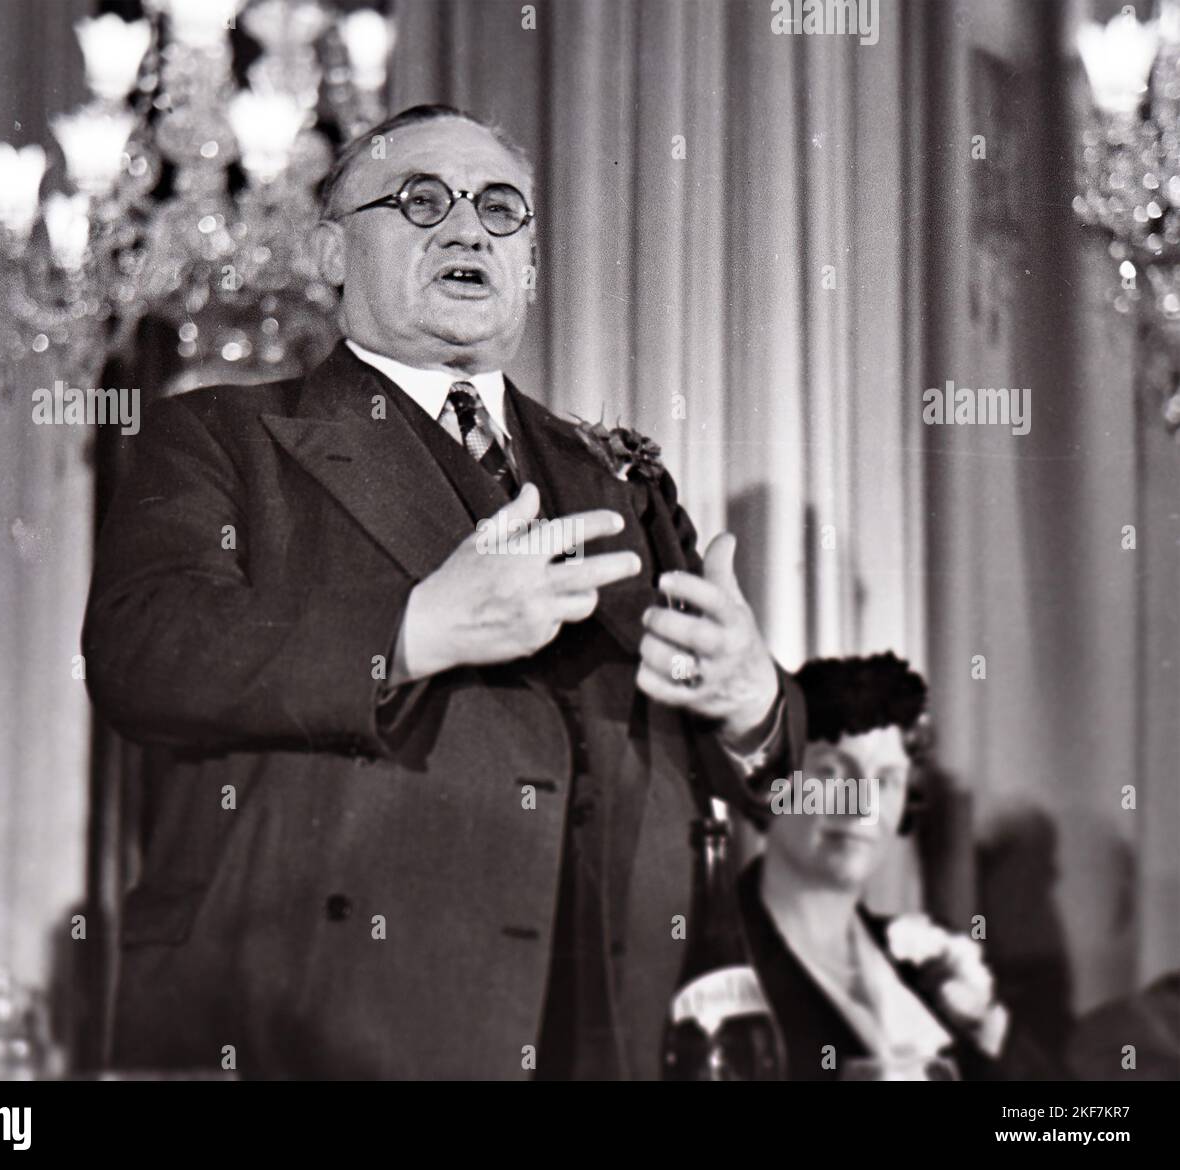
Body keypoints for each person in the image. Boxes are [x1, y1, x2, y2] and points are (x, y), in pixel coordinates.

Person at [83, 104, 804, 1079]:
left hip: (602, 1033)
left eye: (501, 210)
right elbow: (140, 652)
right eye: (422, 200)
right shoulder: (221, 438)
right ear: (332, 252)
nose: (467, 229)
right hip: (321, 1029)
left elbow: (773, 764)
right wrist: (413, 629)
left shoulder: (619, 479)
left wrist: (750, 701)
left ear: (533, 268)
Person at [739, 653, 1027, 1080]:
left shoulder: (925, 961)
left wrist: (987, 1033)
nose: (862, 805)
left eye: (885, 780)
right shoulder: (721, 959)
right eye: (833, 773)